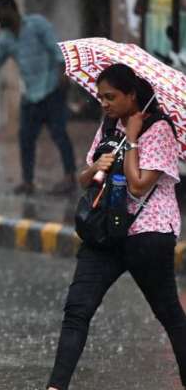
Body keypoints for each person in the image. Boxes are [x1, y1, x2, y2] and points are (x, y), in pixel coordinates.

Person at [46, 63, 186, 390]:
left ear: (131, 95)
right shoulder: (109, 125)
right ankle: (55, 387)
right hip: (106, 231)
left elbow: (138, 186)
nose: (104, 104)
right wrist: (96, 166)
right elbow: (88, 180)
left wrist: (133, 138)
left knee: (170, 316)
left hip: (148, 235)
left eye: (111, 97)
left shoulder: (160, 130)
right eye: (100, 97)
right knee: (77, 311)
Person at [0, 0, 76, 196]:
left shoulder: (37, 25)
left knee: (59, 134)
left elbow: (56, 49)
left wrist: (63, 73)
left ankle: (70, 177)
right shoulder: (6, 39)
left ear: (10, 9)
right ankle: (28, 181)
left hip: (52, 89)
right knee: (25, 137)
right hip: (32, 94)